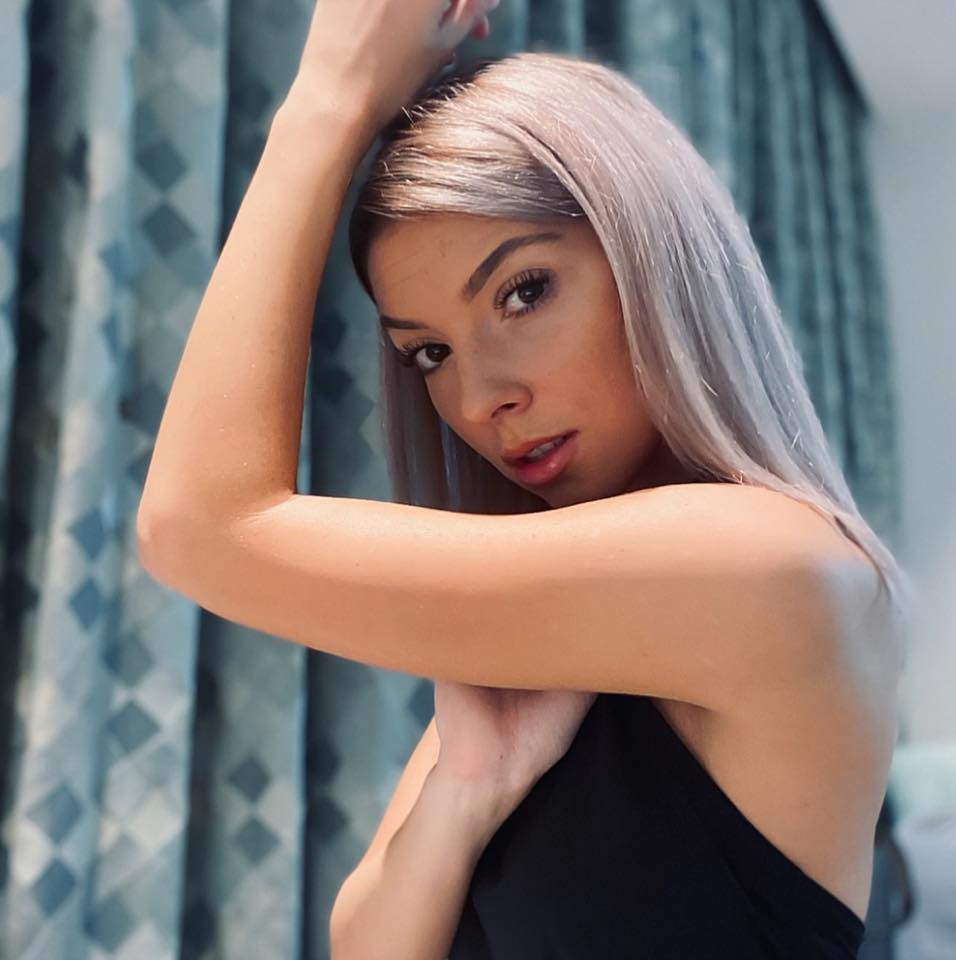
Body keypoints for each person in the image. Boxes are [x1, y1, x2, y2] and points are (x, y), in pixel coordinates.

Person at [136, 1, 913, 957]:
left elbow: (196, 526)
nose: (478, 398)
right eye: (428, 353)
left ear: (653, 257)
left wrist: (326, 103)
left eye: (523, 292)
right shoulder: (560, 622)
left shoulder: (778, 569)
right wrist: (471, 787)